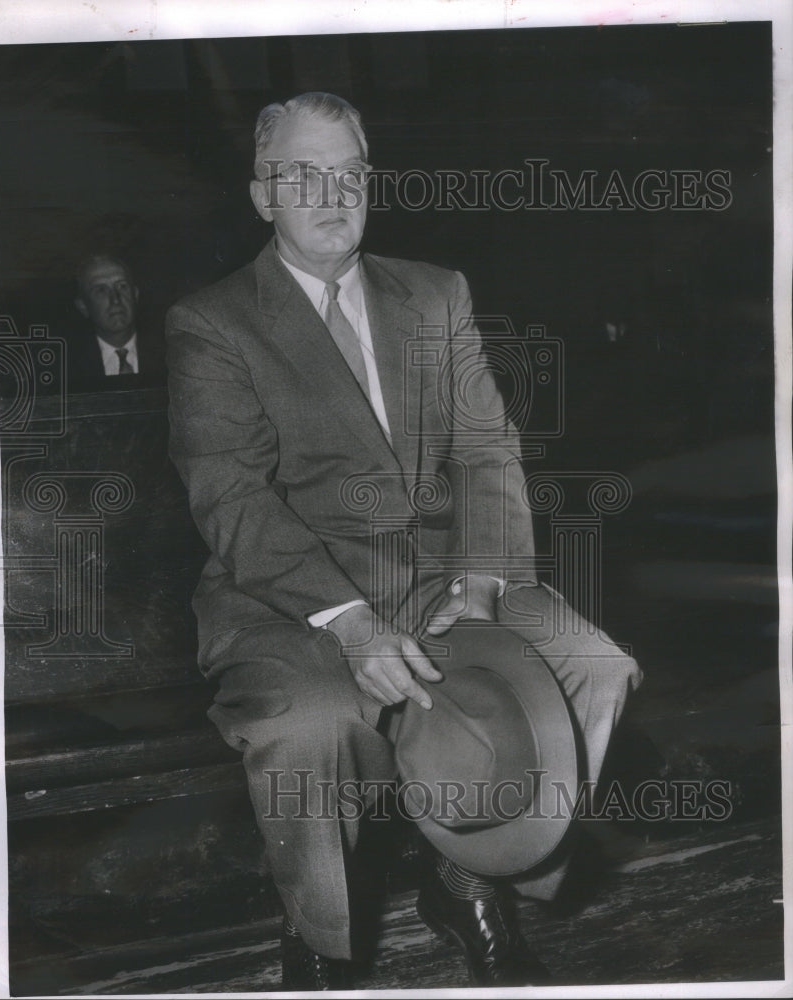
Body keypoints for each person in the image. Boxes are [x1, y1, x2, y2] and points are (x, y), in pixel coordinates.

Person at [166, 92, 643, 990]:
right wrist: (350, 625)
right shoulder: (214, 322)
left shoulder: (434, 292)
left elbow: (486, 447)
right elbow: (232, 497)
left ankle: (472, 874)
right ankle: (321, 940)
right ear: (263, 196)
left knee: (596, 667)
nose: (331, 194)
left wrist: (481, 583)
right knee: (315, 721)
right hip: (291, 599)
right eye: (303, 174)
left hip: (437, 581)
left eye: (349, 173)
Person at [68, 254, 163, 388]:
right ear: (83, 306)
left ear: (135, 295)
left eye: (122, 286)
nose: (115, 300)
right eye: (101, 290)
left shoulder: (170, 352)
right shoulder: (66, 366)